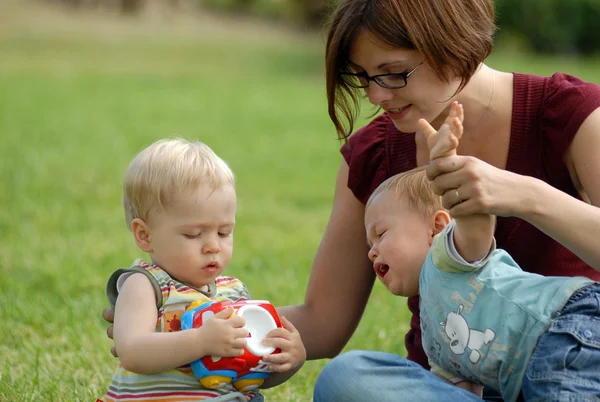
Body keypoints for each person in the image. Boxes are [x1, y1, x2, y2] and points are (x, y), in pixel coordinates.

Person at [103, 0, 600, 399]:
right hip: (452, 385)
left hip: (574, 361)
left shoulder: (571, 116)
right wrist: (180, 322)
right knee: (349, 380)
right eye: (364, 77)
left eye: (394, 72)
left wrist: (528, 195)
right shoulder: (375, 151)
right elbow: (323, 320)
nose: (377, 95)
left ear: (453, 43)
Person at [357, 101, 598, 401]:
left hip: (565, 327)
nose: (372, 252)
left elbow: (477, 222)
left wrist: (446, 164)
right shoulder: (433, 338)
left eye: (380, 235)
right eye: (370, 245)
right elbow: (461, 391)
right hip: (534, 371)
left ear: (437, 227)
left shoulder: (446, 258)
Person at [99, 138, 306, 402]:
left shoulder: (234, 293)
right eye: (193, 234)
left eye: (223, 232)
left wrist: (288, 360)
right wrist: (200, 341)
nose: (212, 246)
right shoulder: (146, 285)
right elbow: (131, 351)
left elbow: (250, 373)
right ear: (145, 235)